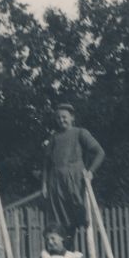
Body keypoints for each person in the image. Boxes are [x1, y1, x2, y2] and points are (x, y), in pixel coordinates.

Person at [42, 103, 105, 246]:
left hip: (75, 181)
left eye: (64, 117)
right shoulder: (54, 138)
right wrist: (44, 184)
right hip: (56, 183)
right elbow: (46, 164)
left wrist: (90, 172)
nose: (61, 120)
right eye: (58, 118)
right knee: (59, 221)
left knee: (79, 217)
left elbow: (100, 153)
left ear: (72, 118)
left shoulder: (80, 132)